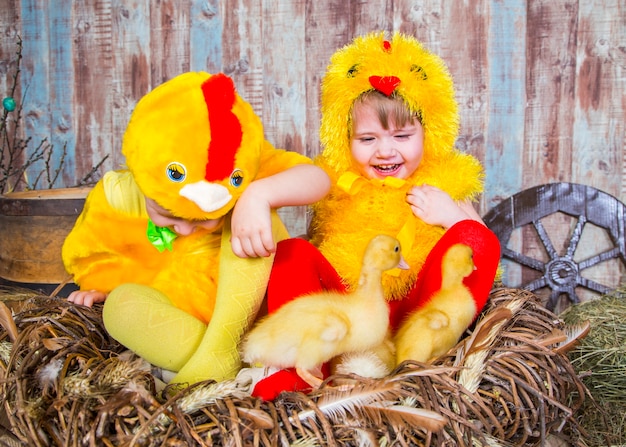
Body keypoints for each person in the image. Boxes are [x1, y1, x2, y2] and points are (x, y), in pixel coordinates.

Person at [249, 31, 501, 400]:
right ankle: (301, 368)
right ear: (344, 139)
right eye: (367, 139)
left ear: (428, 132)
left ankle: (418, 368)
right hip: (347, 310)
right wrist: (257, 195)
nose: (385, 151)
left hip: (416, 311)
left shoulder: (444, 186)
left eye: (402, 136)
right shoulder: (334, 181)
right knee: (292, 253)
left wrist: (453, 218)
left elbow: (483, 255)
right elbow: (314, 226)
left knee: (476, 238)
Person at [62, 71, 330, 386]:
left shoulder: (248, 168)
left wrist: (258, 195)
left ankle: (223, 349)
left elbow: (318, 179)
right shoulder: (121, 192)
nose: (186, 230)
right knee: (120, 307)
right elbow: (97, 249)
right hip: (182, 315)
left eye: (203, 220)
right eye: (168, 214)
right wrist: (100, 286)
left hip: (255, 311)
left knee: (254, 217)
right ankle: (222, 357)